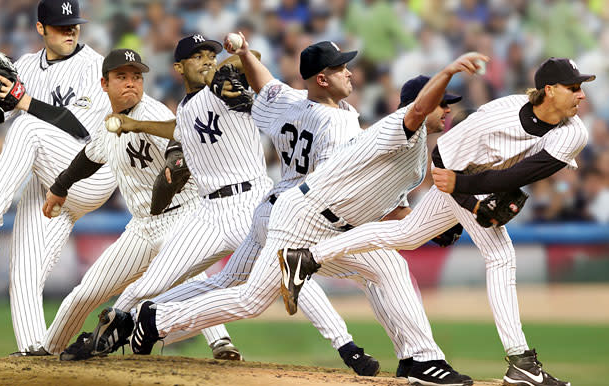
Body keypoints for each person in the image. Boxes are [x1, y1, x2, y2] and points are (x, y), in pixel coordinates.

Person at [117, 47, 485, 386]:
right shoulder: (349, 126)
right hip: (306, 219)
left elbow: (266, 84)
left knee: (382, 269)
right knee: (251, 299)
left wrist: (244, 52)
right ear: (322, 78)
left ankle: (418, 359)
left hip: (280, 206)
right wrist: (449, 71)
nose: (350, 73)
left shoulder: (295, 102)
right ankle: (155, 320)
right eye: (341, 68)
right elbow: (391, 143)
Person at [80, 35, 381, 376]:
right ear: (179, 68)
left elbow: (250, 55)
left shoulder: (227, 90)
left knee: (291, 272)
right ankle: (111, 331)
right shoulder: (188, 107)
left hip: (251, 201)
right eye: (198, 57)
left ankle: (345, 345)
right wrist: (134, 124)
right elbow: (180, 129)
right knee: (150, 284)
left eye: (211, 54)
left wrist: (230, 66)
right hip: (208, 212)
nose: (207, 60)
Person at [301, 57, 593, 386]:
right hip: (457, 174)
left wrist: (467, 198)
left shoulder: (574, 133)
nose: (582, 95)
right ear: (550, 91)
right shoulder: (501, 113)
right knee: (500, 256)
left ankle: (312, 255)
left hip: (475, 183)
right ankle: (521, 363)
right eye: (574, 88)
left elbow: (520, 174)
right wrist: (466, 199)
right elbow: (442, 158)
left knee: (407, 234)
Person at [36, 48, 242, 360]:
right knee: (86, 292)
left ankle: (221, 342)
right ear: (104, 84)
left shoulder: (153, 113)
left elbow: (179, 144)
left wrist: (175, 163)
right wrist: (59, 187)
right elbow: (89, 158)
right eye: (122, 77)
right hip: (141, 227)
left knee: (187, 272)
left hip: (183, 215)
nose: (131, 82)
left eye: (136, 76)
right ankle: (45, 350)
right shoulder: (113, 125)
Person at [0, 0, 118, 355]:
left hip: (91, 171)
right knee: (24, 273)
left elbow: (79, 126)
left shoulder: (93, 66)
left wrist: (20, 100)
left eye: (74, 25)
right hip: (49, 182)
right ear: (41, 29)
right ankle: (34, 354)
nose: (70, 31)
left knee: (27, 128)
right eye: (60, 26)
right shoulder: (25, 67)